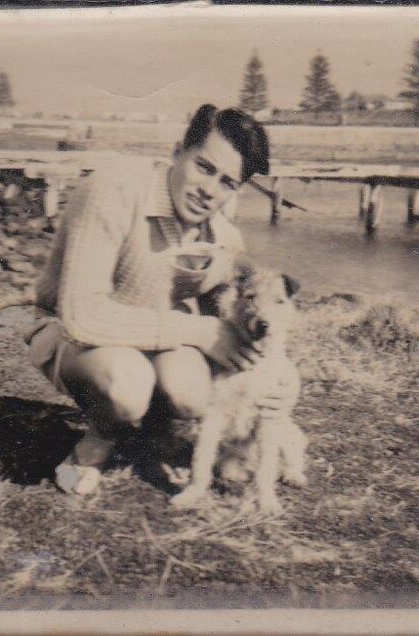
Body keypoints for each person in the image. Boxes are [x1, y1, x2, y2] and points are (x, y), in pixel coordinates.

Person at [26, 104, 298, 494]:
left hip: (154, 338)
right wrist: (200, 331)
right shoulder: (112, 191)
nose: (209, 191)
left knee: (193, 392)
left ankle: (152, 432)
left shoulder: (223, 241)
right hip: (70, 334)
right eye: (204, 168)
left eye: (227, 183)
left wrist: (285, 380)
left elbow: (243, 326)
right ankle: (96, 443)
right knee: (128, 382)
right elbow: (81, 314)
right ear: (177, 151)